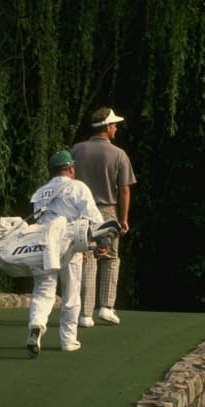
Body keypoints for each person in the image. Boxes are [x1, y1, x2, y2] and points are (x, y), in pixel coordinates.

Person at [25, 149, 113, 358]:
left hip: (43, 246)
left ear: (52, 171)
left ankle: (36, 324)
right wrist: (103, 240)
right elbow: (93, 216)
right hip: (69, 246)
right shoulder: (78, 187)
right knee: (71, 294)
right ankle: (68, 340)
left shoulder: (40, 193)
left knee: (43, 291)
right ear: (71, 169)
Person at [71, 106, 137, 327]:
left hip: (80, 210)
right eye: (114, 125)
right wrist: (124, 218)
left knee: (87, 257)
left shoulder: (76, 150)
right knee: (110, 258)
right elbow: (124, 189)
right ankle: (106, 308)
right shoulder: (119, 154)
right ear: (107, 127)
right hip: (107, 209)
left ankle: (85, 314)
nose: (116, 128)